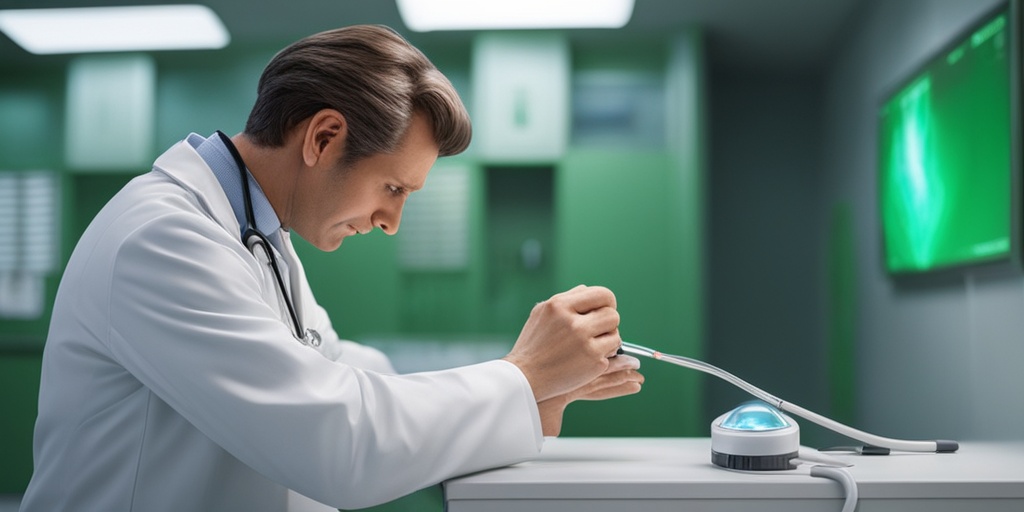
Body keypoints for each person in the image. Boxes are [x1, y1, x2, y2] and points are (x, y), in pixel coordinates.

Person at [19, 24, 643, 512]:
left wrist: (533, 394)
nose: (392, 221)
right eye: (393, 188)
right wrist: (522, 375)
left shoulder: (259, 235)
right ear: (322, 138)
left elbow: (340, 372)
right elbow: (338, 439)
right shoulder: (162, 240)